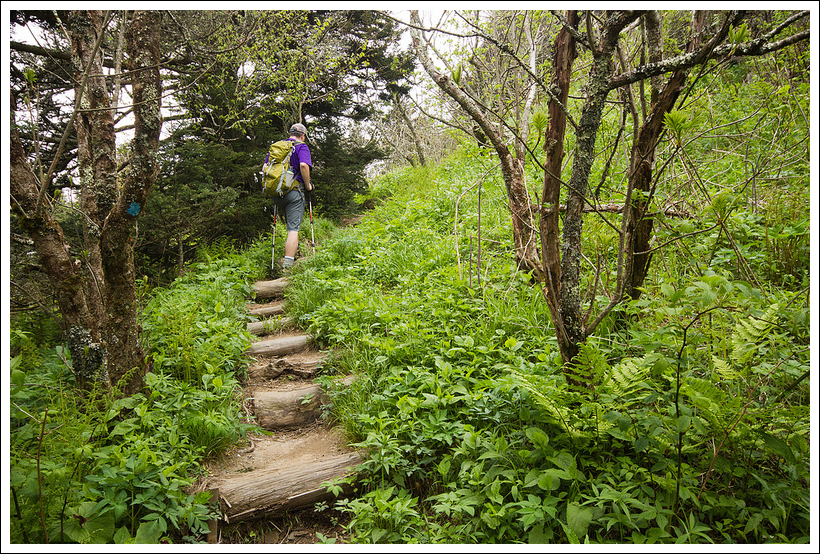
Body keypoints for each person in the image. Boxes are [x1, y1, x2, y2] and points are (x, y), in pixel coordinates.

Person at [272, 123, 314, 269]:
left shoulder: (278, 147)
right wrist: (308, 185)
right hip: (294, 193)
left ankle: (295, 252)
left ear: (290, 133)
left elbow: (264, 168)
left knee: (290, 225)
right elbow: (303, 165)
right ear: (302, 135)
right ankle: (288, 267)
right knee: (293, 229)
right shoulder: (302, 147)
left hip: (277, 193)